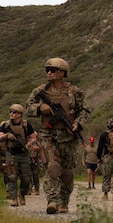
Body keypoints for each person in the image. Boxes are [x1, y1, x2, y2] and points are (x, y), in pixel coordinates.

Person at [26, 58, 90, 214]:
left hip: (69, 137)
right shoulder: (40, 90)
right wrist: (41, 107)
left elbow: (85, 111)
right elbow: (28, 107)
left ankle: (64, 202)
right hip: (48, 135)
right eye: (47, 70)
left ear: (62, 73)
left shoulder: (75, 91)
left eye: (53, 70)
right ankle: (52, 200)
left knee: (67, 173)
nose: (49, 72)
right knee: (53, 168)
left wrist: (77, 124)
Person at [0, 104, 37, 206]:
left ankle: (22, 194)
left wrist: (29, 144)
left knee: (26, 178)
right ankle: (14, 198)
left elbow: (33, 138)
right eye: (11, 112)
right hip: (11, 153)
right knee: (12, 176)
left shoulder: (26, 125)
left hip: (24, 154)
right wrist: (7, 135)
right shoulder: (5, 125)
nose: (12, 114)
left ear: (20, 114)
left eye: (14, 112)